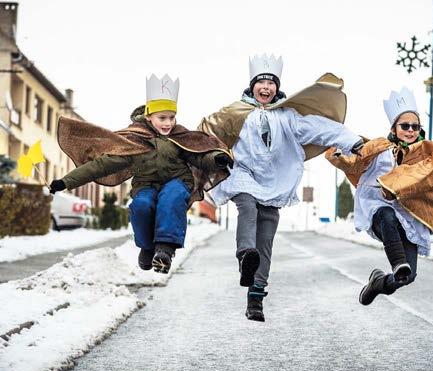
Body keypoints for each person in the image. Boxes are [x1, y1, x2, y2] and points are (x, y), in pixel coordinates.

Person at [199, 54, 364, 321]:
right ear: (252, 85)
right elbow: (206, 132)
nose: (265, 88)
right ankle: (244, 254)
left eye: (270, 83)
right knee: (246, 206)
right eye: (260, 83)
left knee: (265, 239)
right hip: (241, 173)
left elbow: (322, 128)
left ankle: (256, 298)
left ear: (277, 87)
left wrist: (353, 142)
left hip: (274, 181)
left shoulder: (288, 117)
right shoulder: (234, 112)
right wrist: (212, 155)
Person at [50, 74, 232, 274]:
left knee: (172, 197)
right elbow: (101, 165)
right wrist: (65, 182)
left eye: (171, 117)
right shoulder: (133, 140)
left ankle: (165, 249)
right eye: (162, 118)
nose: (168, 123)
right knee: (141, 206)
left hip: (177, 181)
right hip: (145, 185)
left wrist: (215, 159)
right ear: (148, 117)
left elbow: (198, 155)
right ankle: (147, 247)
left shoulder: (179, 136)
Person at [325, 87, 433, 305]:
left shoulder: (425, 158)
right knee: (386, 214)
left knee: (407, 277)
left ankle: (378, 283)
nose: (410, 130)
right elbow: (355, 159)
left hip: (409, 217)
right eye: (405, 126)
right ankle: (397, 262)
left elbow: (431, 184)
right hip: (377, 210)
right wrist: (339, 157)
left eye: (415, 126)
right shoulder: (380, 147)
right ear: (394, 127)